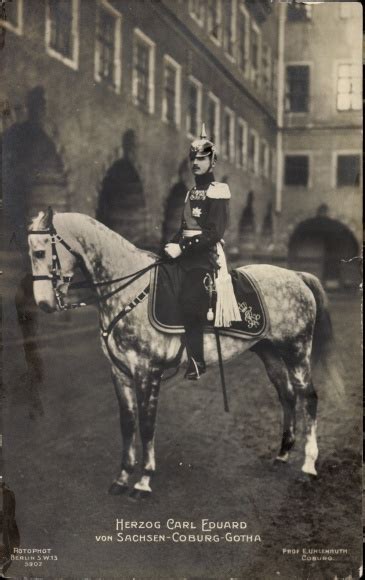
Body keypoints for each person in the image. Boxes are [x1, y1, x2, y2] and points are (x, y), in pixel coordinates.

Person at [164, 125, 240, 380]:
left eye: (202, 158)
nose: (195, 163)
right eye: (192, 158)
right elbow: (184, 227)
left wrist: (182, 247)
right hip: (186, 253)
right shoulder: (191, 191)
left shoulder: (218, 191)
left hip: (205, 257)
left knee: (190, 299)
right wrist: (169, 244)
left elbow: (213, 233)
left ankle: (196, 362)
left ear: (212, 161)